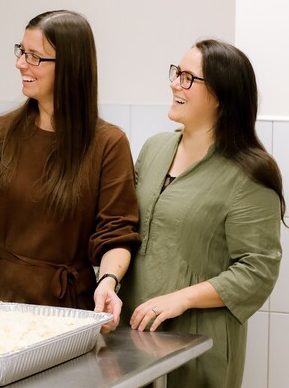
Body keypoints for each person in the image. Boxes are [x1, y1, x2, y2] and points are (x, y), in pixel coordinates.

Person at [0, 10, 141, 332]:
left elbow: (116, 231)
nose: (20, 63)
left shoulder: (108, 143)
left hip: (67, 312)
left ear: (70, 67)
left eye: (34, 56)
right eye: (21, 51)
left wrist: (108, 281)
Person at [120, 39, 285, 388]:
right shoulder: (154, 148)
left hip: (199, 344)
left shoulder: (249, 173)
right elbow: (127, 226)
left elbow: (258, 270)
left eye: (188, 78)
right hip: (133, 335)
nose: (174, 84)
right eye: (176, 73)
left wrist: (182, 298)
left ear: (221, 96)